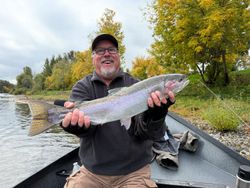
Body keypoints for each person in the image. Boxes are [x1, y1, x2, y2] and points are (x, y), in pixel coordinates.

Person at [60, 33, 175, 188]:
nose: (106, 54)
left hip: (134, 172)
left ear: (119, 56)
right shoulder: (83, 87)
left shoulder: (137, 85)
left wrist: (156, 116)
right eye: (100, 50)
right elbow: (87, 131)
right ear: (93, 57)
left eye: (112, 50)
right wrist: (77, 128)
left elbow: (149, 134)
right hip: (92, 173)